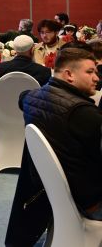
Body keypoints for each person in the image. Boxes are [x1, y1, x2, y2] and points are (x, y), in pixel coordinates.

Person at [20, 48, 102, 220]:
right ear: (69, 75)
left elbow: (22, 96)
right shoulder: (83, 113)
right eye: (90, 72)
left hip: (48, 191)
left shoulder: (30, 98)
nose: (97, 78)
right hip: (86, 200)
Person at [0, 35, 51, 129]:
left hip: (2, 121)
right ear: (32, 50)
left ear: (15, 50)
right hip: (32, 122)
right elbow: (45, 100)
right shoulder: (44, 71)